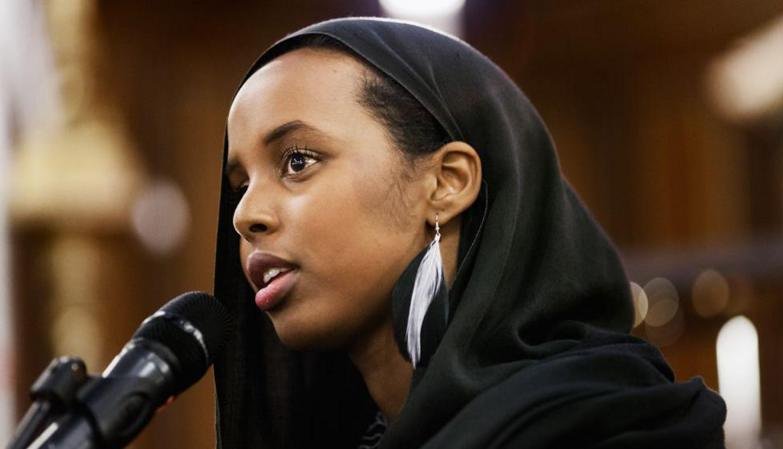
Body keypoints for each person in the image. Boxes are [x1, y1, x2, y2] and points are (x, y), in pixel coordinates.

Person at [212, 17, 726, 449]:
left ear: (446, 183)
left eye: (297, 161)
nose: (244, 215)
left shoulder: (598, 429)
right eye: (240, 186)